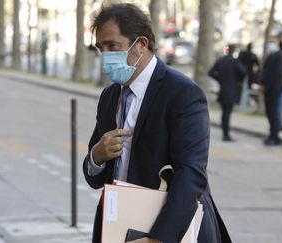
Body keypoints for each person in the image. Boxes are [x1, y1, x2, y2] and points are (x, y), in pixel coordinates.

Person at [82, 3, 231, 243]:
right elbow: (94, 177)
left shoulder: (183, 94)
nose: (106, 55)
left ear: (140, 45)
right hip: (117, 227)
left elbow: (191, 175)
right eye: (101, 48)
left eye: (113, 46)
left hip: (169, 230)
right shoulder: (110, 96)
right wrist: (97, 157)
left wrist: (159, 238)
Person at [209, 44, 247, 141]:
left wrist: (220, 79)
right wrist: (238, 81)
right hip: (231, 90)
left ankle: (225, 133)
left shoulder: (221, 60)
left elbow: (211, 72)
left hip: (223, 90)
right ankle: (226, 134)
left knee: (225, 113)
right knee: (227, 113)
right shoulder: (234, 62)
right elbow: (243, 72)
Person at [260, 40, 282, 145]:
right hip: (274, 89)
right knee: (273, 113)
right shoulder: (279, 57)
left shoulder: (277, 56)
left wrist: (265, 85)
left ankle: (274, 136)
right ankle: (273, 136)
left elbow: (274, 73)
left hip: (274, 89)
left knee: (273, 113)